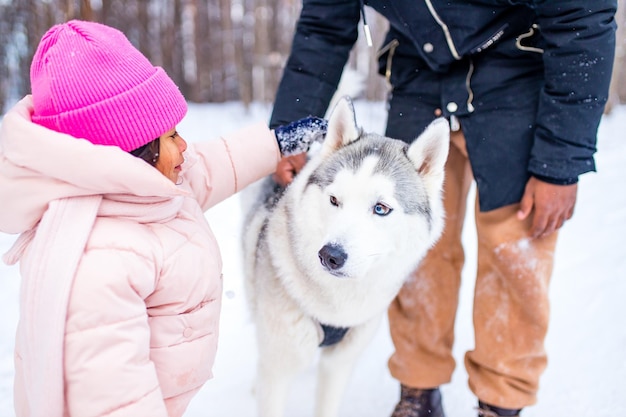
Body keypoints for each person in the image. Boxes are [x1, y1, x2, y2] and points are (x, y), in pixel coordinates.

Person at [268, 1, 617, 416]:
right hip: (421, 72)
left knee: (514, 246)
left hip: (517, 72)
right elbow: (325, 23)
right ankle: (418, 388)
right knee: (409, 249)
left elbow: (582, 17)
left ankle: (501, 400)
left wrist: (560, 164)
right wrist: (292, 129)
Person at [0, 20, 325, 417]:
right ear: (130, 152)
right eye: (170, 136)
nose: (184, 144)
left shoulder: (135, 188)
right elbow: (113, 402)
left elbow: (206, 168)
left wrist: (274, 144)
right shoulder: (96, 261)